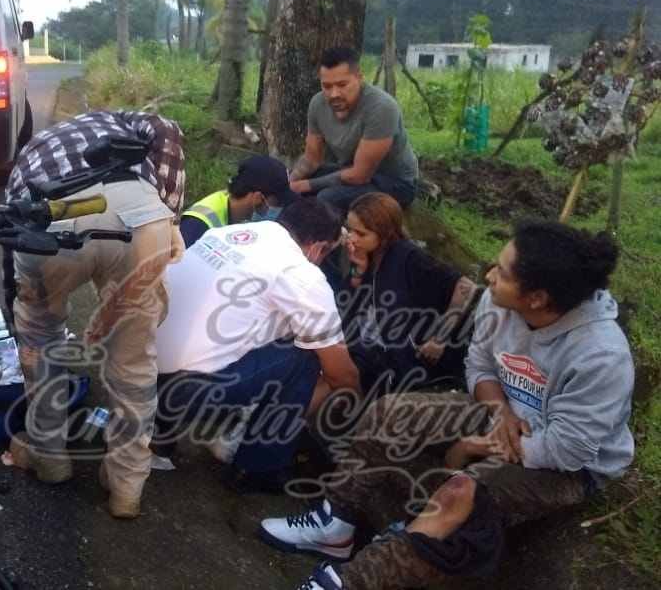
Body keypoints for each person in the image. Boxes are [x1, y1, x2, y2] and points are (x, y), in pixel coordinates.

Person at [258, 220, 634, 589]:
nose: (488, 276)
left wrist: (478, 448)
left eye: (502, 273)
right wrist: (498, 412)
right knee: (390, 412)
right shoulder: (498, 304)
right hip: (501, 415)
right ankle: (334, 524)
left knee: (461, 496)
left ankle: (348, 582)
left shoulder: (599, 355)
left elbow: (568, 450)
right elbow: (480, 365)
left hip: (566, 465)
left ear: (536, 298)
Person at [4, 110, 186, 519]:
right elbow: (168, 128)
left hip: (51, 215)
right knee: (134, 359)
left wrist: (27, 315)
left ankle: (50, 459)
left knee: (42, 338)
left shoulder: (30, 156)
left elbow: (11, 242)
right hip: (139, 215)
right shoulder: (125, 123)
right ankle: (127, 486)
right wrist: (170, 212)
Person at [154, 198, 361, 493]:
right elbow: (341, 374)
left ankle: (164, 424)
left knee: (271, 326)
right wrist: (360, 408)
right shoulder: (301, 274)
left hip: (142, 365)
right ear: (318, 248)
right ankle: (257, 468)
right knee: (308, 356)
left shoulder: (227, 234)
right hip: (183, 392)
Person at [335, 192, 479, 396]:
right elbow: (350, 304)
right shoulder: (363, 254)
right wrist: (359, 269)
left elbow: (466, 287)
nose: (352, 238)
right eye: (350, 229)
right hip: (364, 344)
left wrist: (439, 338)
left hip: (399, 359)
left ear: (384, 234)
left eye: (361, 233)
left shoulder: (409, 258)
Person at [290, 47, 418, 212]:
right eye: (327, 86)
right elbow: (311, 159)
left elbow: (360, 175)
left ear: (359, 77)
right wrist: (290, 181)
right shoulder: (317, 104)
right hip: (349, 171)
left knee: (326, 197)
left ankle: (334, 236)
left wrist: (304, 186)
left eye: (342, 84)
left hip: (394, 182)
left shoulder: (382, 108)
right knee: (301, 183)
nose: (334, 93)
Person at [179, 154, 298, 248]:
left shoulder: (237, 211)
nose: (277, 209)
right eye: (277, 203)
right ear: (258, 198)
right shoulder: (197, 226)